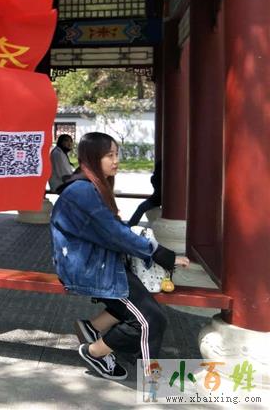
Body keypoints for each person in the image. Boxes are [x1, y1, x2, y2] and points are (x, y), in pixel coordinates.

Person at [50, 132, 189, 381]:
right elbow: (115, 234)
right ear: (93, 158)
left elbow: (112, 229)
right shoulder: (82, 191)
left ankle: (92, 328)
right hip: (91, 269)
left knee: (143, 311)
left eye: (116, 154)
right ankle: (97, 353)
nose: (116, 160)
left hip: (99, 263)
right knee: (149, 321)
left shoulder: (89, 186)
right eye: (109, 155)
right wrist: (161, 254)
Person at [128, 160, 162, 227]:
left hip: (158, 198)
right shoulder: (158, 177)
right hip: (159, 198)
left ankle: (130, 226)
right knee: (141, 207)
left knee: (141, 207)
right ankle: (130, 225)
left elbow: (157, 188)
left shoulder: (155, 178)